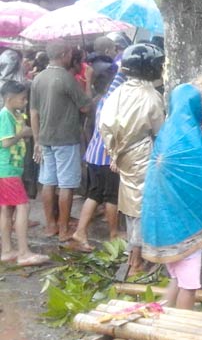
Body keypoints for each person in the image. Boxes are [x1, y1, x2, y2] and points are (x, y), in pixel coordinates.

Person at [142, 82, 202, 310]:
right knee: (190, 285)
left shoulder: (167, 132)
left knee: (177, 277)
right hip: (187, 224)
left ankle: (165, 313)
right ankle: (181, 326)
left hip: (165, 223)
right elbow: (199, 176)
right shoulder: (191, 139)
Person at [100, 43, 165, 275]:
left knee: (131, 206)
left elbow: (104, 124)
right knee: (142, 208)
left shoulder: (117, 93)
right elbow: (161, 131)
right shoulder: (151, 96)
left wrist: (114, 152)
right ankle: (136, 261)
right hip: (144, 156)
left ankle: (136, 255)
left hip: (123, 156)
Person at [30, 42, 93, 241]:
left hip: (45, 139)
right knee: (66, 184)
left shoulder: (38, 78)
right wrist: (88, 82)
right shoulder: (66, 78)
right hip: (65, 139)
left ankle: (51, 225)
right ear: (65, 54)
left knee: (48, 182)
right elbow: (86, 107)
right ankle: (64, 229)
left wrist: (37, 139)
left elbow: (33, 113)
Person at [70, 69, 127, 251]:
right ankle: (113, 234)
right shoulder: (112, 99)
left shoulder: (102, 100)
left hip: (94, 155)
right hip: (105, 157)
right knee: (111, 196)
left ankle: (80, 231)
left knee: (95, 194)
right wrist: (124, 69)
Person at [0, 81, 48, 266]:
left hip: (9, 169)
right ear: (10, 99)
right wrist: (23, 133)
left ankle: (7, 250)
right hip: (7, 169)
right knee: (23, 206)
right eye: (22, 98)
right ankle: (23, 252)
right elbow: (5, 143)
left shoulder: (14, 114)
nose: (25, 101)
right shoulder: (5, 116)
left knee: (7, 208)